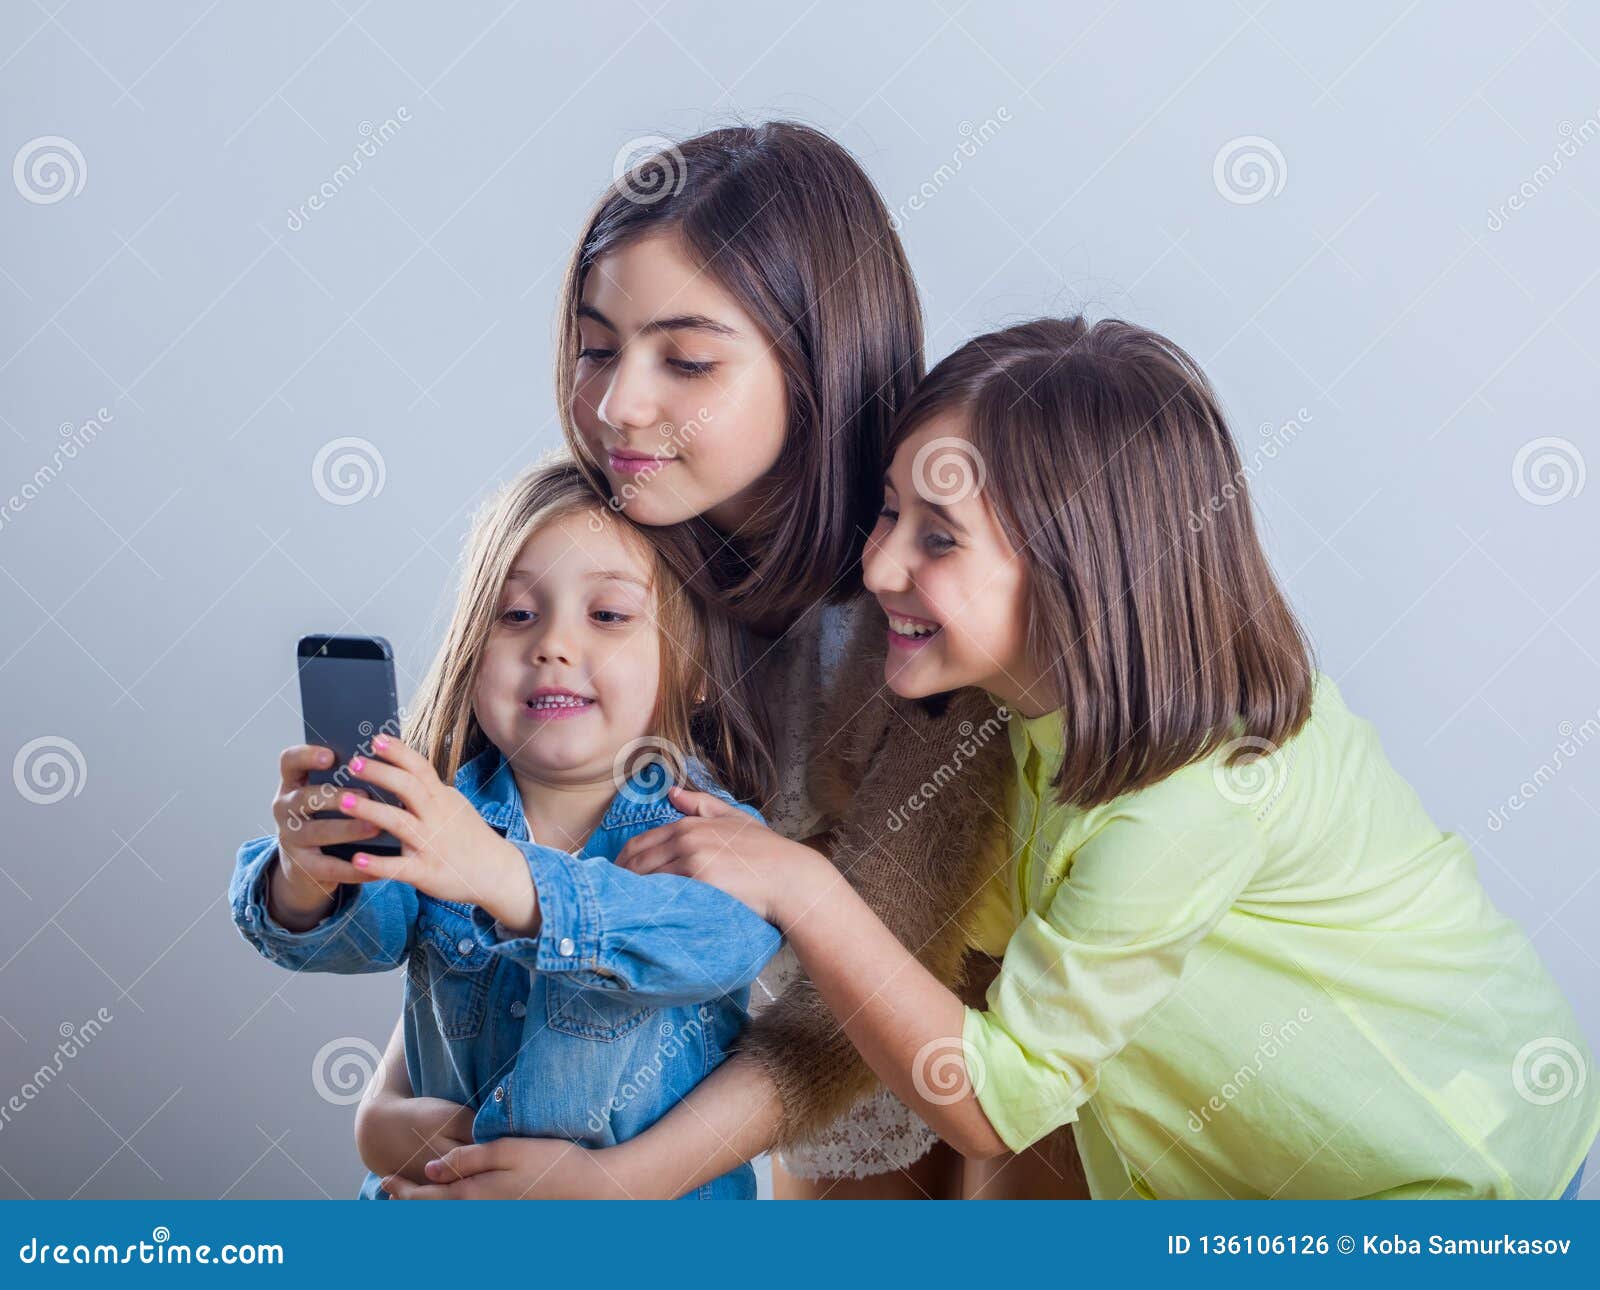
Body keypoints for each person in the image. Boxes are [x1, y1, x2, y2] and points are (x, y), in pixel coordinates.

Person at [228, 460, 781, 1199]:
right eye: (517, 615)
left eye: (608, 616)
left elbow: (720, 943)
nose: (552, 644)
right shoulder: (442, 809)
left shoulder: (709, 831)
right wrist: (308, 877)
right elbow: (361, 938)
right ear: (470, 647)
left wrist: (499, 874)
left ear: (696, 666)